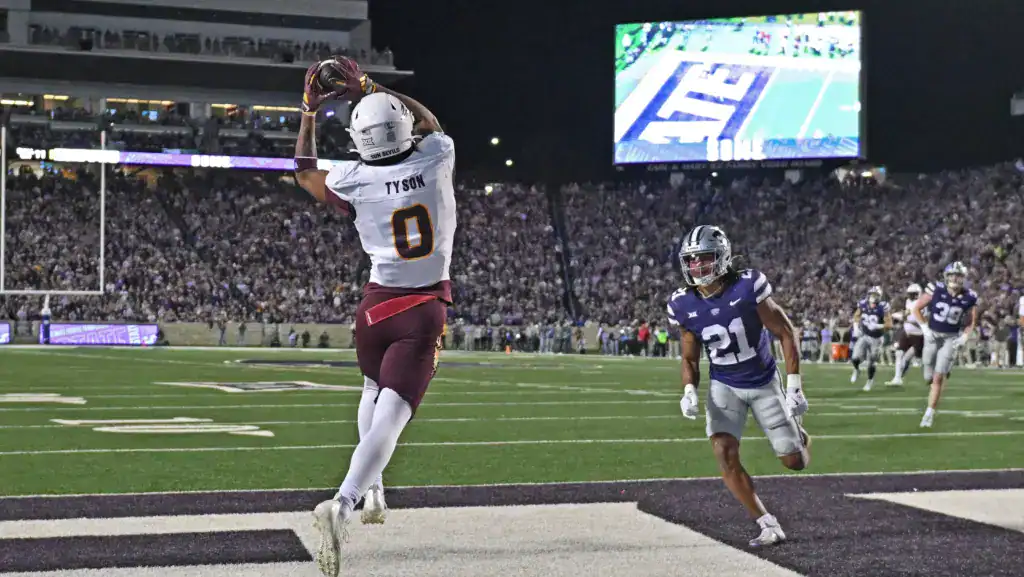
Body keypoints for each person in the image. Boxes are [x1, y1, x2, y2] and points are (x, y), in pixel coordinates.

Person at [293, 56, 453, 577]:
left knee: (370, 391)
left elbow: (304, 172)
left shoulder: (355, 178)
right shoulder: (436, 156)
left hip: (375, 306)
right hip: (421, 307)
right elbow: (429, 121)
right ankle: (342, 502)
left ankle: (375, 491)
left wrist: (309, 111)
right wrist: (367, 85)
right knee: (396, 411)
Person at [667, 225, 810, 548]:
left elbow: (786, 332)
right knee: (723, 451)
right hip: (724, 385)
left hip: (762, 381)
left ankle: (798, 434)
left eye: (704, 260)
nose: (697, 268)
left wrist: (795, 386)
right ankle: (766, 522)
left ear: (722, 257)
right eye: (691, 261)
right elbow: (689, 358)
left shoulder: (748, 287)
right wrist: (689, 390)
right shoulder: (682, 304)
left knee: (795, 461)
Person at [912, 262, 978, 428]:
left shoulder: (970, 297)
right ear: (947, 276)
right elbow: (916, 308)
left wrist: (964, 336)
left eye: (959, 275)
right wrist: (924, 328)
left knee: (938, 377)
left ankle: (929, 413)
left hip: (950, 338)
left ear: (963, 278)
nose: (955, 278)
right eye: (953, 275)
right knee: (928, 375)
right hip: (932, 336)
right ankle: (937, 376)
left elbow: (971, 321)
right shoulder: (936, 289)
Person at [849, 286, 892, 391]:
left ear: (879, 297)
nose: (873, 297)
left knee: (871, 361)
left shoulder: (883, 307)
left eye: (875, 295)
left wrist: (879, 326)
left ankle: (869, 381)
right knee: (854, 358)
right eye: (872, 295)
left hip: (877, 339)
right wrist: (855, 328)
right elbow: (856, 316)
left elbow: (889, 324)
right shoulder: (863, 304)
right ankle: (856, 369)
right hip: (864, 335)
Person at [887, 283, 923, 386]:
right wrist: (901, 316)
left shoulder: (922, 304)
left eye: (913, 294)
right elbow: (906, 315)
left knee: (908, 358)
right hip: (907, 333)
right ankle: (897, 378)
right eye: (910, 294)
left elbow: (921, 322)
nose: (911, 296)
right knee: (899, 354)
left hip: (918, 335)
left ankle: (934, 377)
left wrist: (905, 318)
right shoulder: (908, 302)